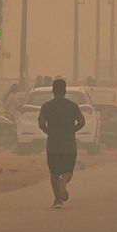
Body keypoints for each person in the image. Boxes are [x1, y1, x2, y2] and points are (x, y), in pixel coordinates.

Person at [37, 77, 85, 209]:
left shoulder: (46, 107)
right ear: (65, 91)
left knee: (54, 172)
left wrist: (48, 131)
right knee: (68, 170)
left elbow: (41, 123)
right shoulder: (72, 106)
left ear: (53, 91)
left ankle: (57, 200)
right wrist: (72, 130)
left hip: (53, 144)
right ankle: (63, 182)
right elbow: (82, 121)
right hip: (69, 144)